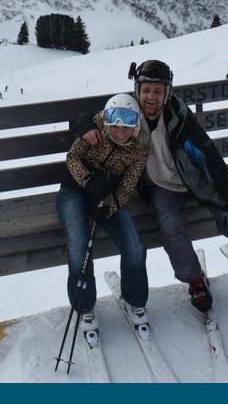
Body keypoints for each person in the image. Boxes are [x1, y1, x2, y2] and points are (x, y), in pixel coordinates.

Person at [77, 60, 228, 313]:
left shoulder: (180, 117)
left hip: (197, 180)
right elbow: (86, 118)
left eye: (158, 91)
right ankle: (194, 280)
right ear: (137, 90)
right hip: (160, 187)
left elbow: (210, 156)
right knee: (169, 225)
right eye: (146, 90)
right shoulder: (127, 113)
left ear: (167, 93)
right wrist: (87, 126)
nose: (151, 96)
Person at [61, 93, 150, 337]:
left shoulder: (139, 149)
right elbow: (73, 157)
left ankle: (135, 299)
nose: (121, 132)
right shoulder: (96, 127)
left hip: (107, 197)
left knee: (134, 246)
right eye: (115, 126)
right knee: (79, 245)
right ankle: (84, 305)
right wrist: (88, 180)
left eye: (127, 126)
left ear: (136, 124)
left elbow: (127, 187)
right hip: (75, 191)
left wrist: (109, 207)